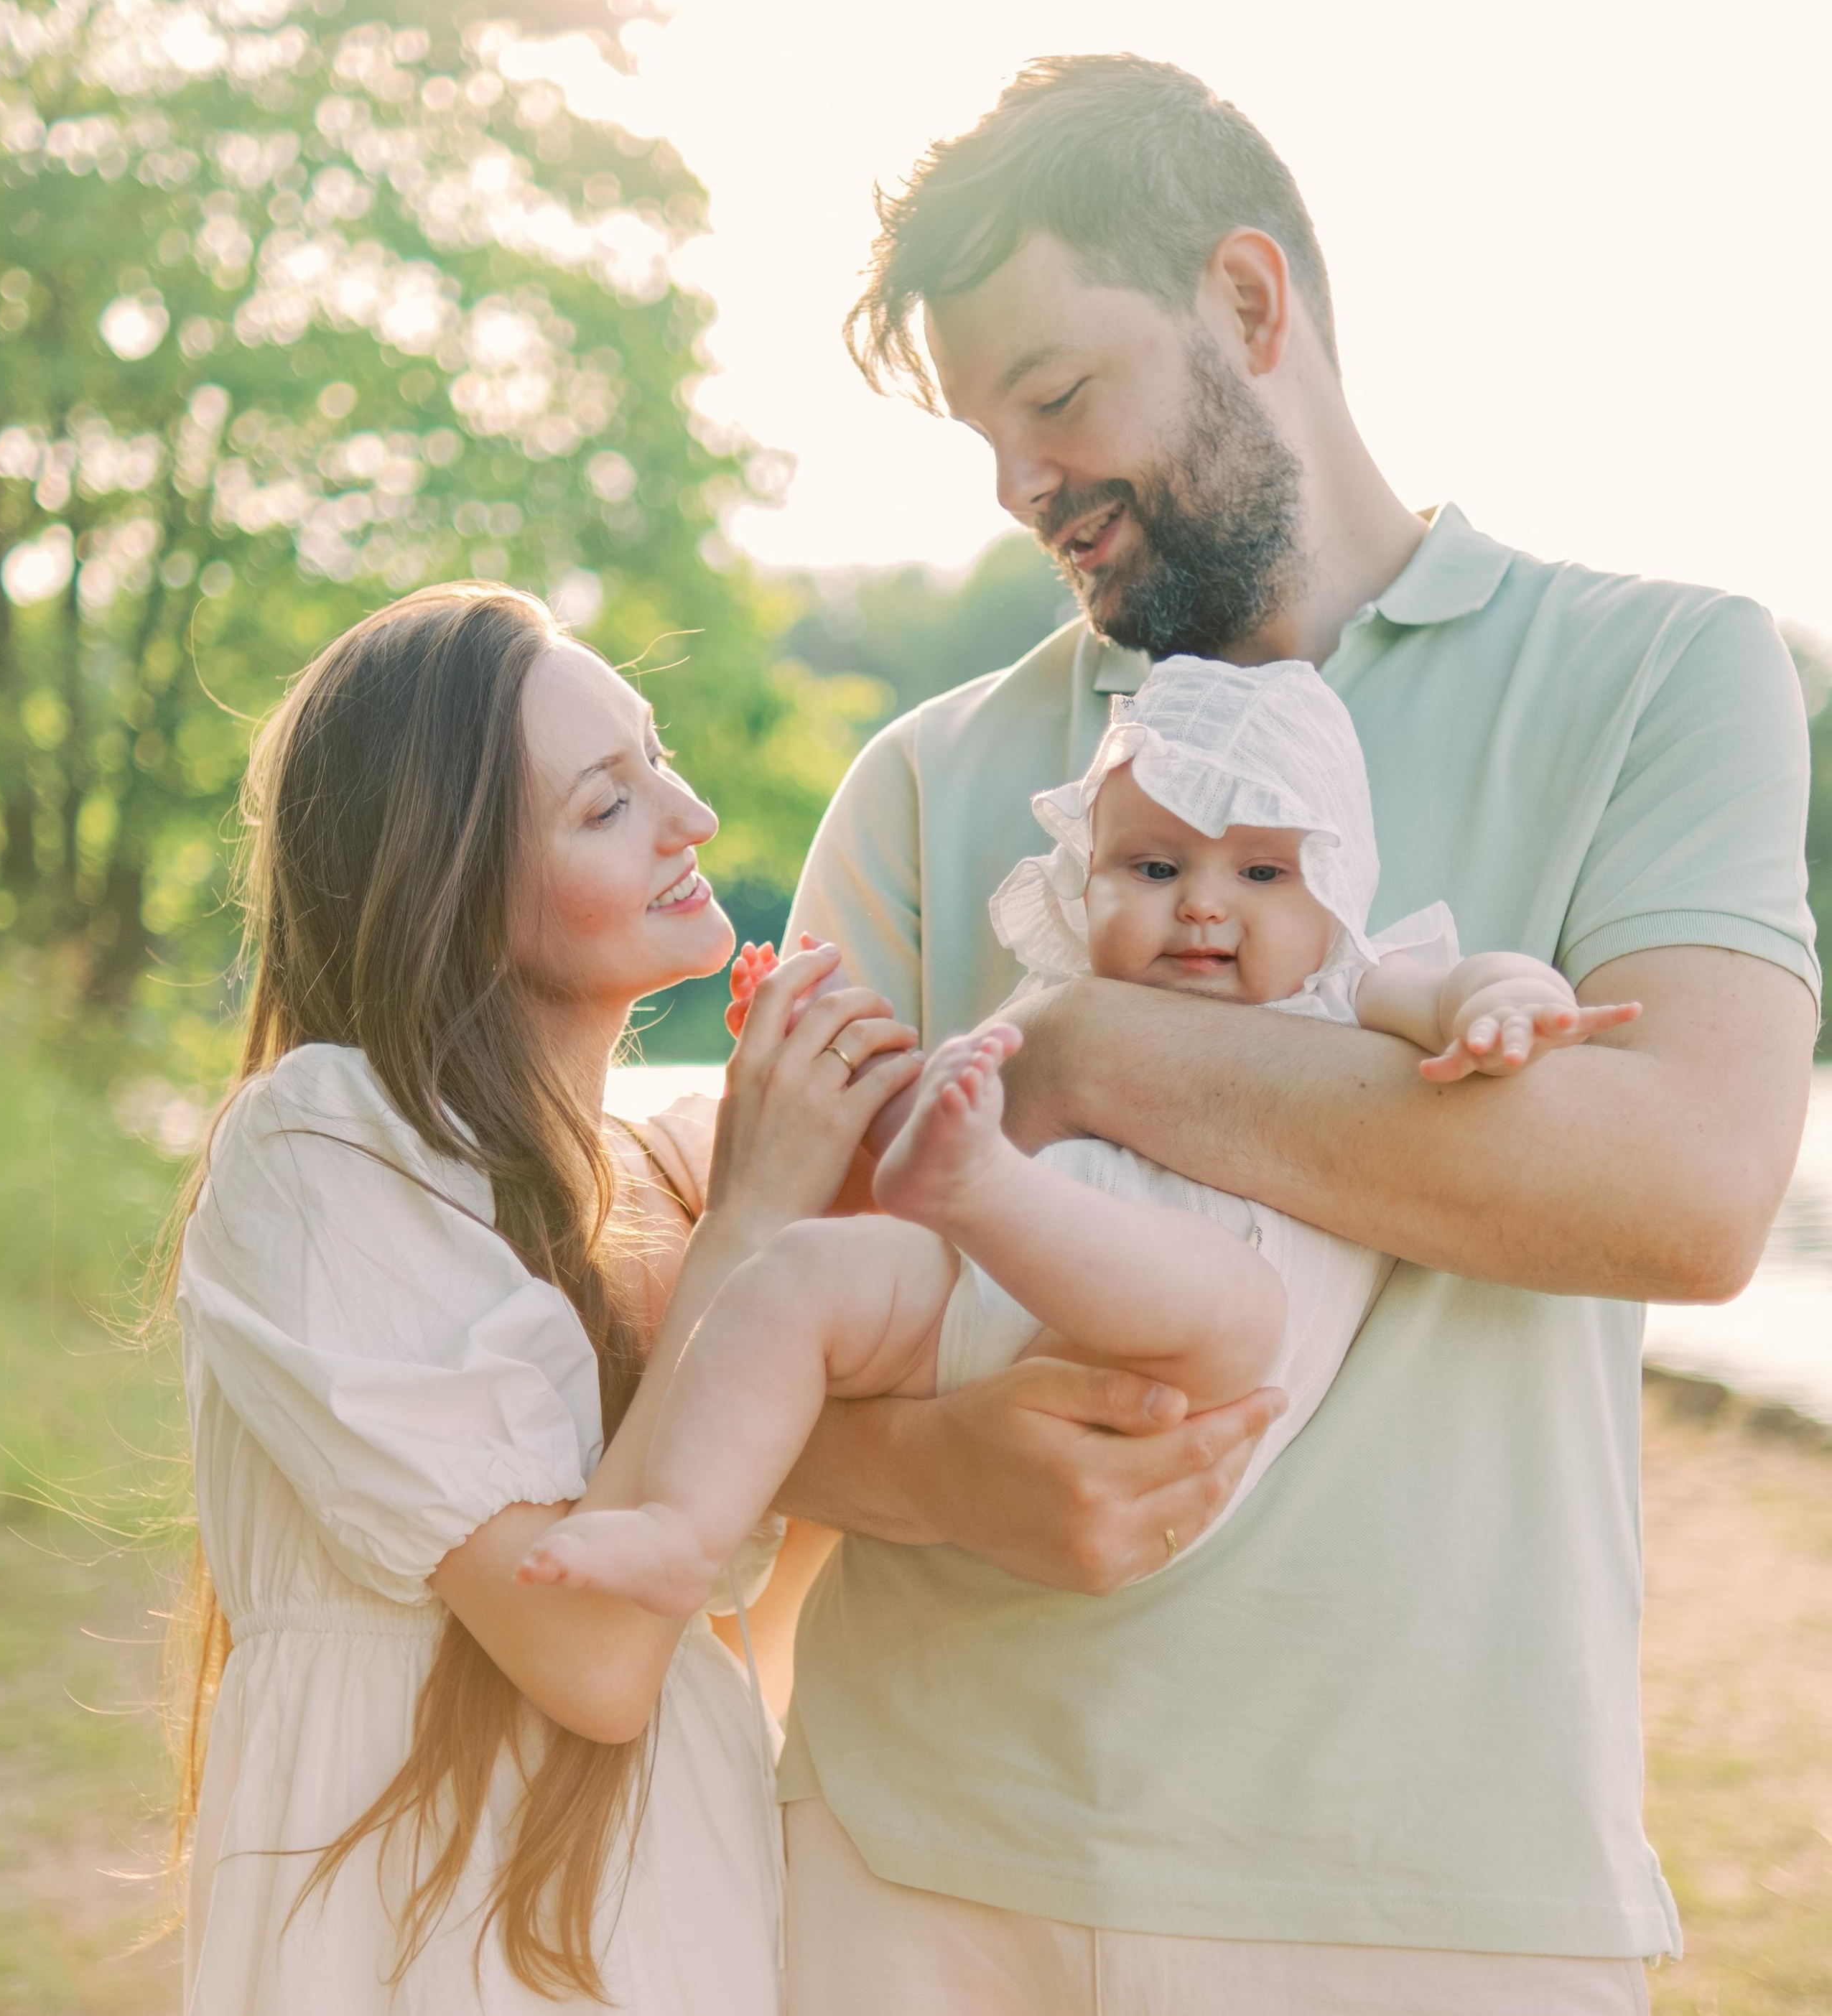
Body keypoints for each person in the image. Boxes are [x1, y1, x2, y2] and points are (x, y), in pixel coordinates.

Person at [766, 57, 1820, 2016]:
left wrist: (1093, 1059)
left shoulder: (1665, 672)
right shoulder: (933, 782)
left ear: (1250, 300)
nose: (1027, 480)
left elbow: (1682, 1186)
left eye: (1056, 391)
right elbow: (759, 1312)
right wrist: (936, 1478)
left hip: (1425, 1916)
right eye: (984, 439)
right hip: (925, 1894)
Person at [116, 584, 919, 2016]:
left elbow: (719, 1634)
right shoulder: (321, 1147)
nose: (692, 819)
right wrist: (761, 1228)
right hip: (432, 1931)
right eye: (606, 799)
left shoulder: (618, 1164)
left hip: (658, 1889)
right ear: (449, 878)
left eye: (660, 768)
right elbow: (583, 1651)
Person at [524, 655, 1635, 1619]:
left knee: (1239, 1295)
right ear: (1087, 883)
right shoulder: (1050, 1002)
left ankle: (984, 1192)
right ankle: (684, 1529)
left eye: (1260, 872)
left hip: (1186, 1365)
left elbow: (1457, 988)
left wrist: (1508, 1005)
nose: (1204, 905)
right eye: (1155, 869)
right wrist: (845, 1058)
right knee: (803, 1273)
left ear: (1334, 891)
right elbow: (914, 1125)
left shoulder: (1349, 987)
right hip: (993, 1314)